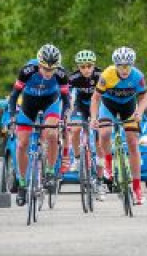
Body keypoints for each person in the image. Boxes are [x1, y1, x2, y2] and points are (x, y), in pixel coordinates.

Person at [9, 44, 72, 206]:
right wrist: (12, 116)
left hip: (50, 102)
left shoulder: (61, 74)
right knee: (22, 143)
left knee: (51, 133)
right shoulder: (27, 70)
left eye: (52, 70)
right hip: (28, 103)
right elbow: (14, 95)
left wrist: (64, 116)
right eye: (45, 69)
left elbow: (66, 100)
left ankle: (50, 171)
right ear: (39, 64)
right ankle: (22, 183)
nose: (48, 73)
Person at [90, 47, 147, 205]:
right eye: (121, 66)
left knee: (133, 142)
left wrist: (140, 111)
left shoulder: (137, 76)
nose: (124, 69)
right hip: (108, 106)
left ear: (132, 65)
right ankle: (108, 163)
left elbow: (144, 97)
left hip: (129, 107)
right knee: (104, 133)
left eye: (127, 66)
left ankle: (137, 188)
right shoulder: (107, 74)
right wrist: (94, 117)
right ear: (115, 65)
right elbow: (96, 98)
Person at [66, 50, 104, 195]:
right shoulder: (74, 77)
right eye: (82, 67)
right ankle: (76, 157)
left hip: (98, 107)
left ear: (94, 65)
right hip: (81, 106)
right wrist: (67, 113)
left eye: (89, 66)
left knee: (100, 143)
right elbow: (67, 96)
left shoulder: (101, 75)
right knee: (74, 130)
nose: (86, 70)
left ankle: (100, 180)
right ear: (78, 67)